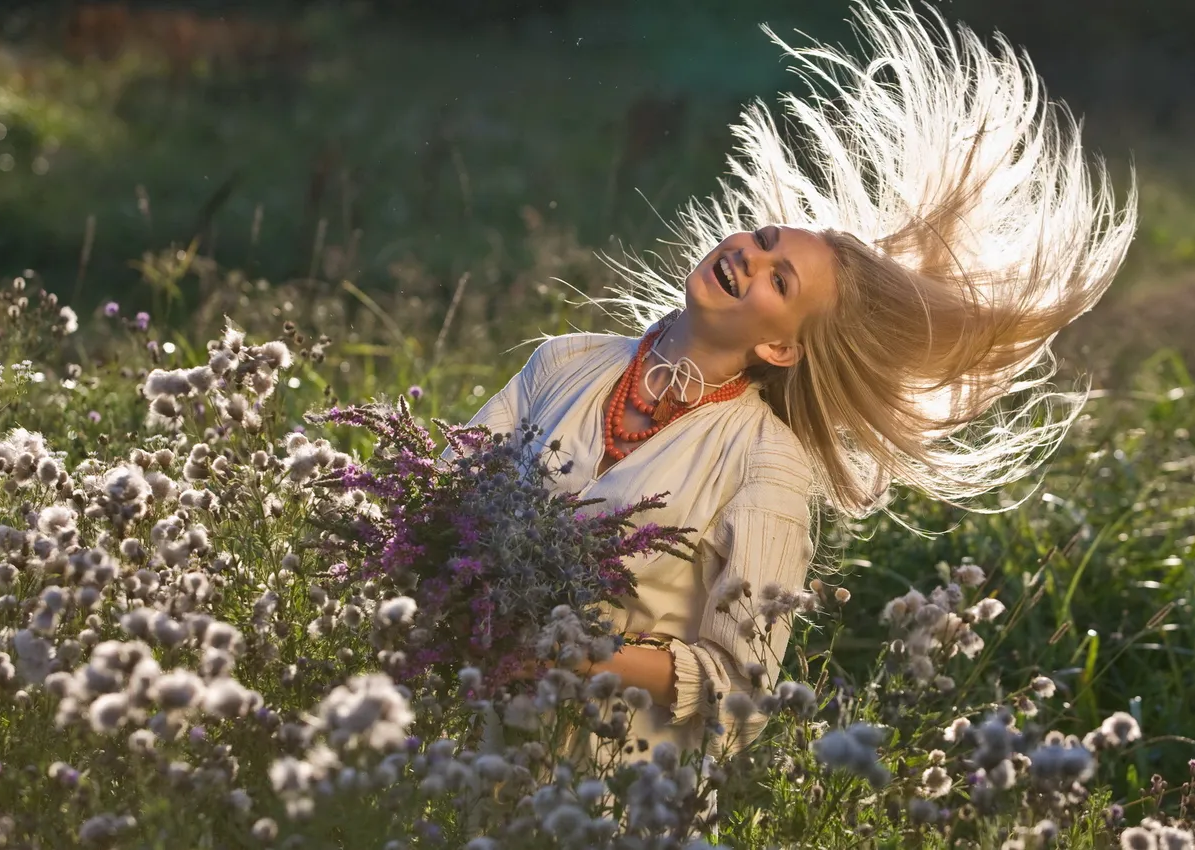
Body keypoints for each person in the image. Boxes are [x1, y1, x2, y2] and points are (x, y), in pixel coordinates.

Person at [460, 0, 1136, 762]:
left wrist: (578, 659)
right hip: (446, 746)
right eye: (763, 241)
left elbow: (742, 692)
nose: (748, 256)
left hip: (600, 795)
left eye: (779, 281)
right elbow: (436, 506)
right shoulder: (562, 362)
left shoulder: (766, 464)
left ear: (782, 349)